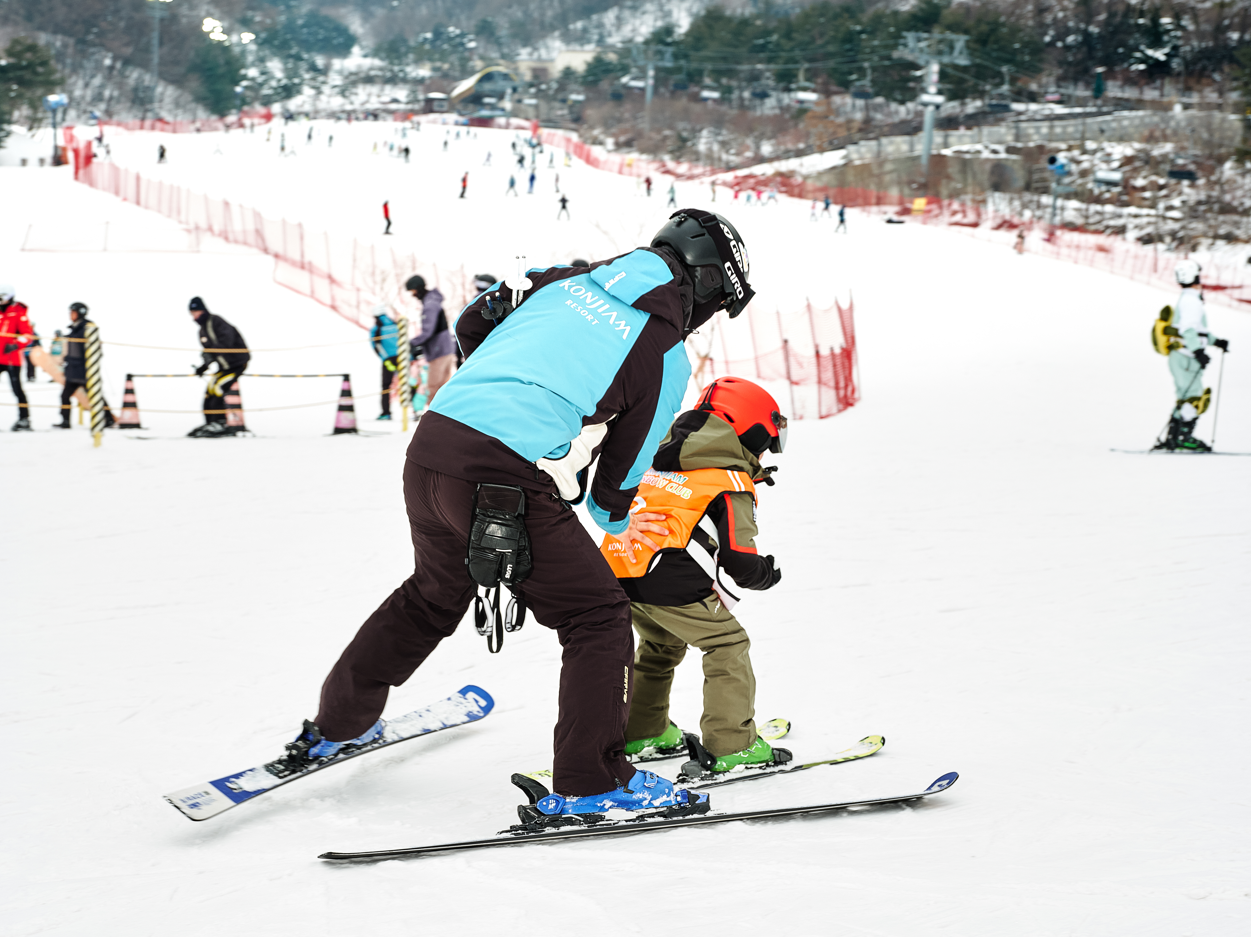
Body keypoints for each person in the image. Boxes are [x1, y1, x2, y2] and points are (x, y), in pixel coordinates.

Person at [278, 209, 755, 817]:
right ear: (707, 284)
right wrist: (608, 512)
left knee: (432, 592)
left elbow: (474, 318)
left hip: (433, 446)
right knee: (597, 614)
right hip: (500, 475)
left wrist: (505, 378)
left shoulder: (562, 280)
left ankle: (337, 724)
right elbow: (622, 472)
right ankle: (593, 781)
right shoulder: (662, 351)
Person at [601, 377, 785, 771]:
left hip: (622, 571)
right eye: (768, 439)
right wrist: (766, 574)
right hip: (673, 583)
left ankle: (643, 729)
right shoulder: (729, 482)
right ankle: (733, 745)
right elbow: (740, 562)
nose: (767, 449)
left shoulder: (657, 460)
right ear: (749, 431)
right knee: (727, 645)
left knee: (661, 645)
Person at [1153, 260, 1229, 452]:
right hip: (1186, 356)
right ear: (1195, 277)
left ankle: (1174, 438)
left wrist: (1215, 341)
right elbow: (1188, 330)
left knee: (1185, 397)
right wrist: (1198, 351)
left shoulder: (1188, 299)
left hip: (1181, 355)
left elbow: (1196, 331)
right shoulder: (1191, 301)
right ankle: (1182, 439)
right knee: (1194, 398)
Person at [188, 296, 250, 438]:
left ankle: (220, 422)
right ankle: (210, 422)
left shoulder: (216, 321)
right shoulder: (202, 331)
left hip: (236, 363)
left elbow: (226, 342)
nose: (194, 315)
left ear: (203, 310)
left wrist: (210, 353)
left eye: (196, 311)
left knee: (218, 387)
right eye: (192, 313)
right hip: (224, 366)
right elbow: (211, 353)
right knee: (210, 390)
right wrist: (203, 367)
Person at [55, 303, 116, 429]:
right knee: (65, 396)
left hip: (85, 371)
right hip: (73, 371)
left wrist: (89, 367)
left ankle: (108, 419)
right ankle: (65, 421)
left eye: (72, 312)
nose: (70, 315)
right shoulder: (74, 329)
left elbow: (93, 350)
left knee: (95, 395)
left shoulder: (87, 328)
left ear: (79, 313)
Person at [404, 275, 457, 404]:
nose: (413, 295)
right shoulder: (433, 301)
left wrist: (412, 343)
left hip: (439, 351)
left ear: (418, 288)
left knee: (433, 388)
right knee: (443, 388)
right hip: (445, 349)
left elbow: (429, 331)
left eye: (413, 291)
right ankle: (443, 420)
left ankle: (434, 421)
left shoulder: (430, 305)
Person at [0, 284, 34, 430]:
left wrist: (15, 344)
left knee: (17, 389)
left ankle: (24, 419)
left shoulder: (18, 312)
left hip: (12, 359)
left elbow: (28, 335)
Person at [370, 305, 400, 420]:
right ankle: (416, 411)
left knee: (386, 386)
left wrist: (386, 360)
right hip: (402, 357)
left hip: (388, 359)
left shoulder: (376, 329)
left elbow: (376, 346)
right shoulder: (396, 325)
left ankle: (385, 412)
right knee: (409, 384)